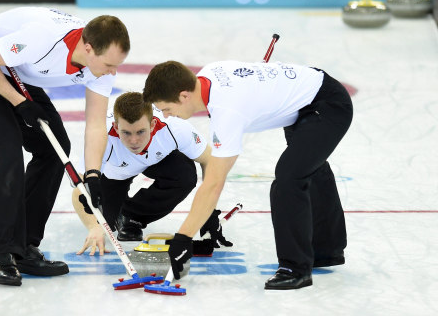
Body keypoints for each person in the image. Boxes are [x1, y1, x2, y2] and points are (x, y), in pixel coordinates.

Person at [0, 7, 130, 286]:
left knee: (55, 149)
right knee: (7, 149)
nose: (113, 72)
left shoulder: (102, 66)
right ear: (88, 48)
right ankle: (4, 253)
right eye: (109, 65)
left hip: (14, 70)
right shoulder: (43, 38)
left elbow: (94, 125)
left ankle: (24, 248)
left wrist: (93, 175)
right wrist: (20, 104)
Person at [143, 60, 353, 290]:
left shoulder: (227, 109)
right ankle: (325, 251)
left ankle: (295, 268)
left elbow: (214, 182)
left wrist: (183, 238)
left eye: (166, 109)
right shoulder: (208, 75)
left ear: (184, 96)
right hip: (305, 99)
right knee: (307, 165)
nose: (166, 115)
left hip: (327, 104)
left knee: (289, 178)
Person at [71, 92, 216, 255]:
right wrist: (95, 226)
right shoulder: (101, 139)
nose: (134, 141)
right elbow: (79, 193)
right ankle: (115, 215)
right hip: (116, 174)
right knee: (105, 223)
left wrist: (208, 211)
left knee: (185, 175)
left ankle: (131, 216)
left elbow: (210, 161)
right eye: (126, 133)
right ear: (117, 127)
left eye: (140, 132)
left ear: (153, 125)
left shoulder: (174, 128)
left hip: (156, 160)